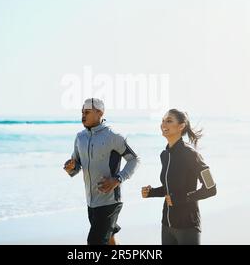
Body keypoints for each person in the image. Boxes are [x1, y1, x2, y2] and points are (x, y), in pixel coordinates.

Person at [64, 98, 140, 245]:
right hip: (91, 202)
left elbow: (134, 160)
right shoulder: (80, 137)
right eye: (82, 112)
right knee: (109, 240)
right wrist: (70, 168)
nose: (83, 115)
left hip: (110, 201)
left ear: (100, 113)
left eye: (87, 112)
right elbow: (76, 165)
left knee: (95, 242)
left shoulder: (113, 136)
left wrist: (118, 179)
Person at [142, 109, 216, 245]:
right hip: (167, 225)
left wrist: (184, 198)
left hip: (187, 225)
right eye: (163, 120)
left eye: (169, 121)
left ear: (181, 126)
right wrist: (152, 192)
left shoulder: (191, 154)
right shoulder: (164, 155)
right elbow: (170, 188)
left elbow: (211, 188)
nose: (163, 124)